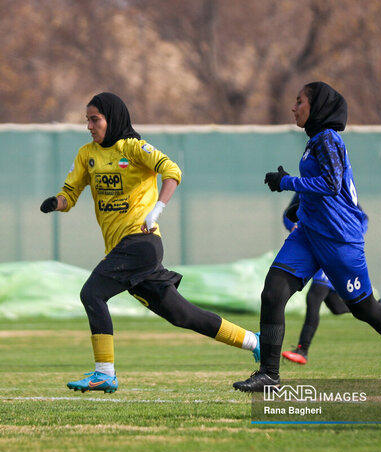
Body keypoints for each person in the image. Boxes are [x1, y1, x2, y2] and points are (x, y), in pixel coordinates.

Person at [40, 92, 260, 394]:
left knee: (92, 294)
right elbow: (71, 194)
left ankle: (105, 373)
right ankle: (255, 342)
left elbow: (172, 171)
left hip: (141, 243)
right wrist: (57, 202)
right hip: (122, 250)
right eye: (87, 120)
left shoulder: (134, 148)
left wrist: (158, 208)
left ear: (112, 119)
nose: (89, 126)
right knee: (182, 315)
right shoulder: (86, 154)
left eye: (95, 119)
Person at [232, 82, 381, 395]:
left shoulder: (328, 139)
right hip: (310, 234)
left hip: (340, 240)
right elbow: (321, 185)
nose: (293, 107)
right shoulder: (315, 140)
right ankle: (269, 374)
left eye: (299, 101)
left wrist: (287, 181)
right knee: (273, 293)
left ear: (318, 107)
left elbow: (330, 183)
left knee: (365, 309)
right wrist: (298, 195)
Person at [280, 193, 381, 365]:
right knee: (337, 307)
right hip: (313, 250)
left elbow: (362, 217)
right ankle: (377, 306)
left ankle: (303, 350)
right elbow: (287, 214)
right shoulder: (304, 185)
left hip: (331, 250)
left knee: (314, 297)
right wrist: (292, 226)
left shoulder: (335, 185)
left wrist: (350, 237)